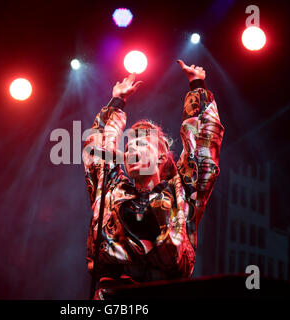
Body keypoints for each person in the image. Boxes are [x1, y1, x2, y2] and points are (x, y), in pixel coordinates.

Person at [83, 60, 224, 300]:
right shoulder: (111, 189)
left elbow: (202, 148)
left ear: (161, 156)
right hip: (111, 298)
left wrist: (197, 87)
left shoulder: (182, 193)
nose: (131, 150)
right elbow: (97, 150)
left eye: (141, 143)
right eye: (128, 146)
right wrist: (116, 102)